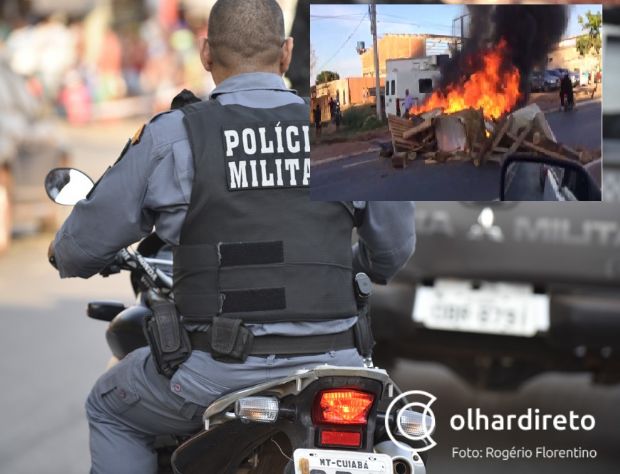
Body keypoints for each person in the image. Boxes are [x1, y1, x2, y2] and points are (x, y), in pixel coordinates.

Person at [47, 1, 416, 472]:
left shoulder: (175, 138)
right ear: (286, 55)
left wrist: (63, 253)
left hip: (218, 373)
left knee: (109, 405)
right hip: (336, 367)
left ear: (205, 54)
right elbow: (393, 252)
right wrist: (345, 266)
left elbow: (82, 247)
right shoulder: (344, 134)